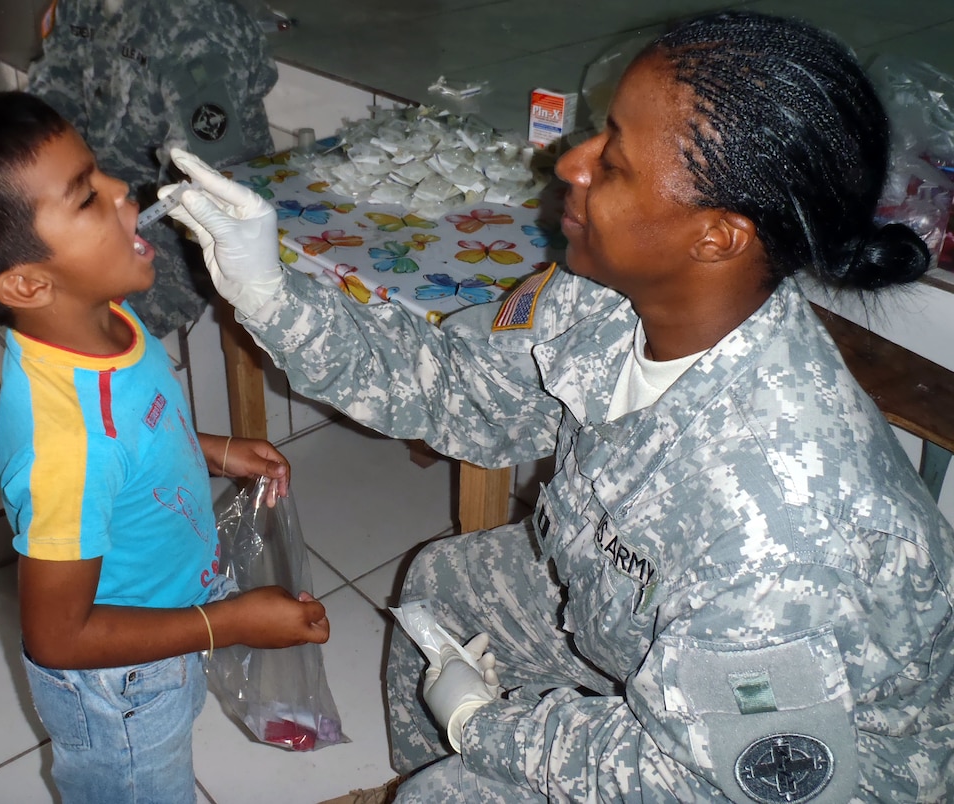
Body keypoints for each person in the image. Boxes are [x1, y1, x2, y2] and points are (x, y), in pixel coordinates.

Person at [163, 10, 954, 802]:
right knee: (445, 585)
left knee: (446, 797)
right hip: (641, 624)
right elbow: (463, 394)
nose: (568, 163)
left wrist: (484, 727)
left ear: (717, 236)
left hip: (791, 776)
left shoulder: (783, 531)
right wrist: (270, 294)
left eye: (612, 162)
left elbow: (700, 776)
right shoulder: (606, 296)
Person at [0, 91, 330, 803]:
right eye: (88, 198)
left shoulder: (100, 321)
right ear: (28, 281)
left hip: (163, 623)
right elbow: (59, 636)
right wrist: (228, 622)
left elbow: (141, 427)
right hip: (119, 686)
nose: (124, 190)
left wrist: (214, 450)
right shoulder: (67, 449)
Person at [0, 0, 277, 468]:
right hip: (81, 195)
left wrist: (92, 215)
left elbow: (215, 184)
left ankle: (98, 418)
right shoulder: (82, 4)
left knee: (53, 299)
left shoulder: (196, 20)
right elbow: (47, 114)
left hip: (178, 225)